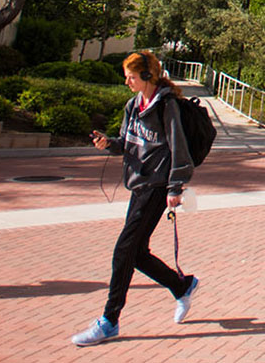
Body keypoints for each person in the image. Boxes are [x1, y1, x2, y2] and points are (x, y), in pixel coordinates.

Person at [71, 51, 199, 346]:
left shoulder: (166, 107)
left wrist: (175, 188)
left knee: (123, 251)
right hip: (138, 185)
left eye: (130, 76)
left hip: (157, 187)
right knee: (137, 252)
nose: (126, 81)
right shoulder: (133, 105)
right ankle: (182, 286)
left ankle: (109, 320)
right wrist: (109, 144)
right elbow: (128, 143)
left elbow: (180, 150)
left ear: (146, 76)